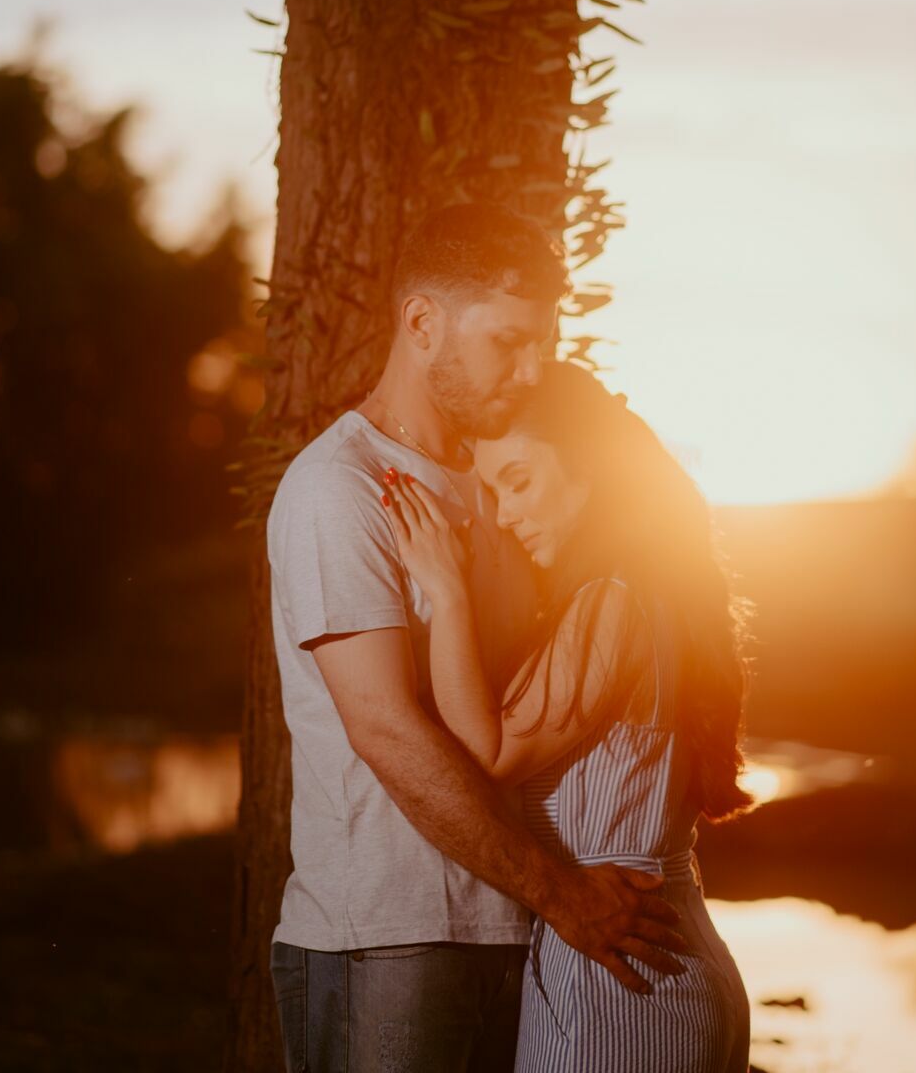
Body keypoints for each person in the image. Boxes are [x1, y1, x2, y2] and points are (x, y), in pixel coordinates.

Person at [266, 204, 689, 1072]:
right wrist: (561, 893)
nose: (533, 370)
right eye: (509, 341)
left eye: (542, 343)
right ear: (422, 324)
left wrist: (549, 903)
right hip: (388, 939)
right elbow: (386, 730)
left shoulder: (502, 487)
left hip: (519, 935)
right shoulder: (341, 490)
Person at [384, 357, 753, 1072]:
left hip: (622, 980)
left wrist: (448, 594)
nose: (505, 514)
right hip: (654, 961)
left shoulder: (613, 603)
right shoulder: (644, 592)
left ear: (591, 468)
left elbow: (486, 754)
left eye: (519, 482)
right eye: (493, 492)